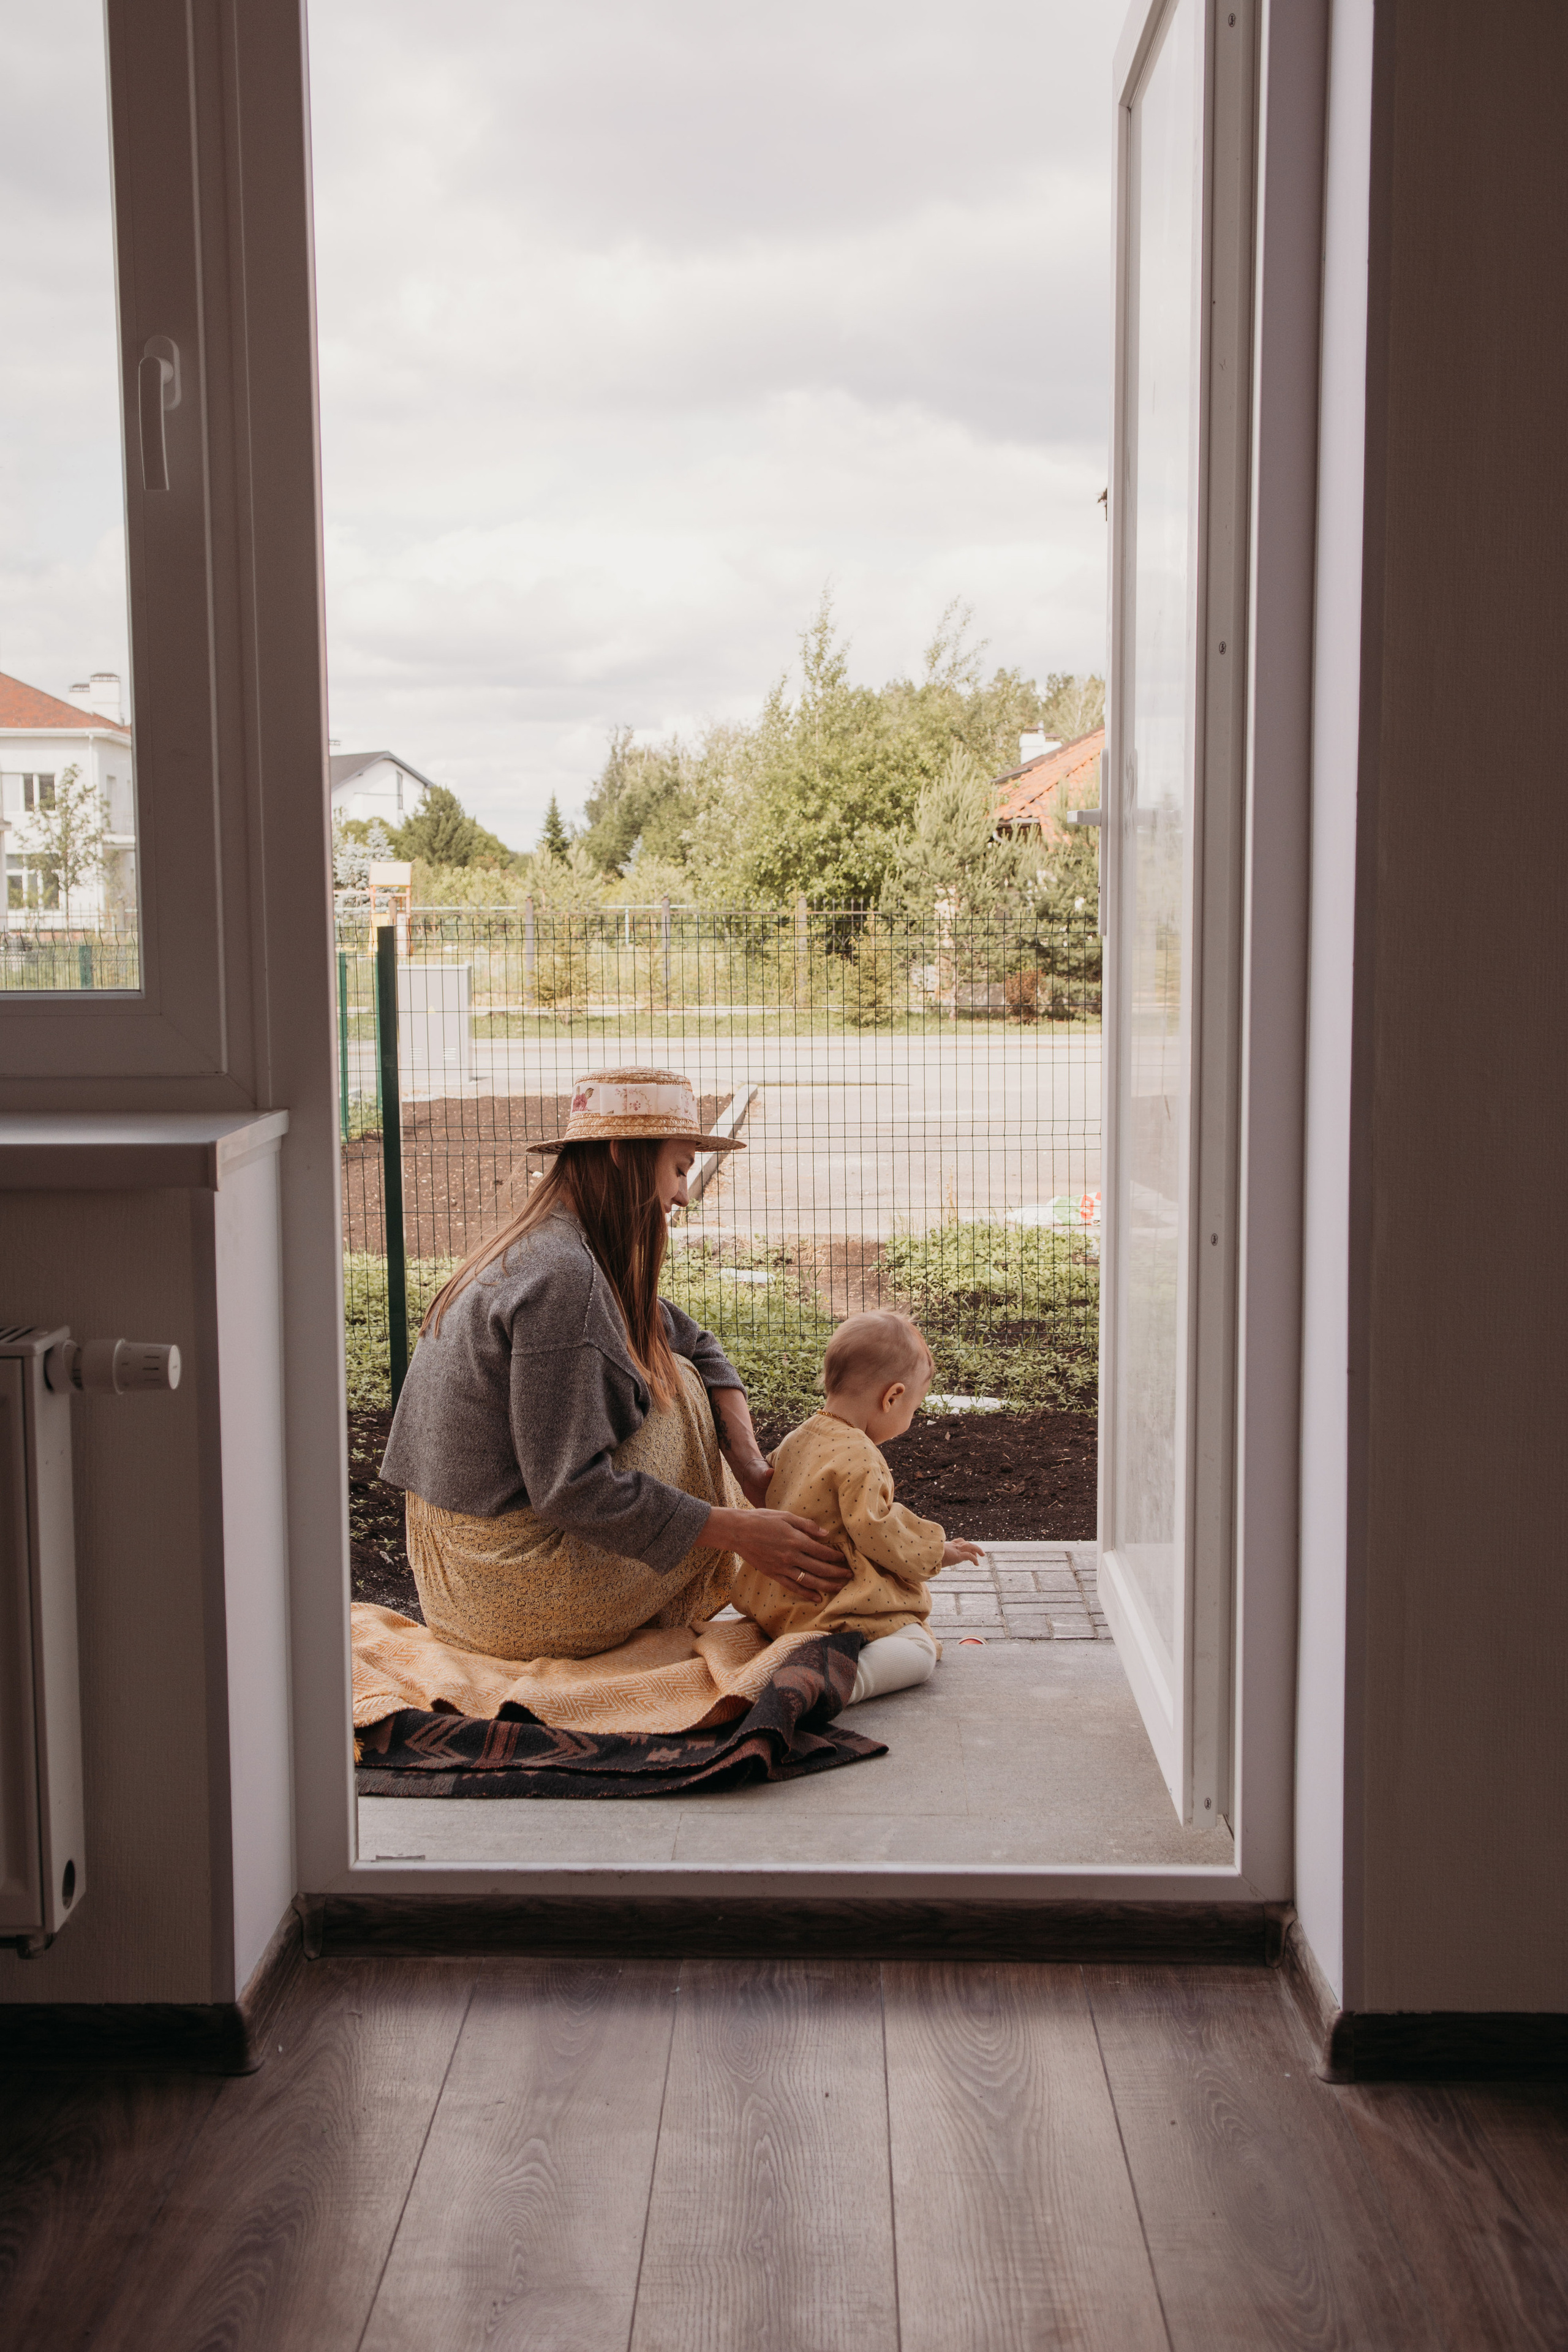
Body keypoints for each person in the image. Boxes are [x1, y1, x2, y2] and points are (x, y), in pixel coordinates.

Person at [377, 1066, 851, 1671]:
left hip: (454, 1578)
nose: (684, 1195)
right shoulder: (564, 1281)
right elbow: (570, 1489)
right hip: (511, 1594)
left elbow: (695, 1339)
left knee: (674, 1362)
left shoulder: (548, 1244)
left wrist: (751, 1466)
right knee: (680, 1389)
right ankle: (744, 1562)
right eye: (679, 1168)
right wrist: (737, 1530)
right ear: (624, 1153)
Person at [731, 1309, 984, 1700]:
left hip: (779, 1605)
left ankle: (798, 1658)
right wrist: (938, 1551)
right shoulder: (861, 1456)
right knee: (917, 1650)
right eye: (914, 1409)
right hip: (830, 1606)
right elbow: (877, 1529)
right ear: (892, 1397)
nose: (912, 1418)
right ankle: (833, 1682)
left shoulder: (798, 1437)